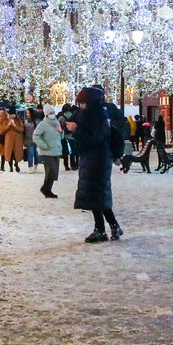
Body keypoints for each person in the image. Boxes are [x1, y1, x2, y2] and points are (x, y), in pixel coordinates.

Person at [68, 87, 122, 242]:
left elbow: (95, 138)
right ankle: (111, 226)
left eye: (84, 102)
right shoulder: (90, 115)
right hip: (91, 159)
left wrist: (77, 130)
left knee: (96, 195)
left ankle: (101, 229)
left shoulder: (99, 116)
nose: (82, 106)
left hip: (98, 160)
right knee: (97, 195)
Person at [34, 104, 63, 198]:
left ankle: (47, 190)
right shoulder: (43, 124)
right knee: (52, 171)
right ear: (46, 114)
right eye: (50, 113)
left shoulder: (56, 123)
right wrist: (43, 145)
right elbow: (35, 136)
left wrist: (61, 131)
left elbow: (60, 137)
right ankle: (45, 188)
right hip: (46, 152)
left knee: (53, 173)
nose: (52, 114)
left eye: (53, 112)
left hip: (56, 151)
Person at [59, 104, 77, 170]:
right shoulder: (74, 116)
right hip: (72, 136)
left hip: (65, 137)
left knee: (65, 152)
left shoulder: (61, 117)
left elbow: (59, 126)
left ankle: (66, 166)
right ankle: (73, 165)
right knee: (72, 151)